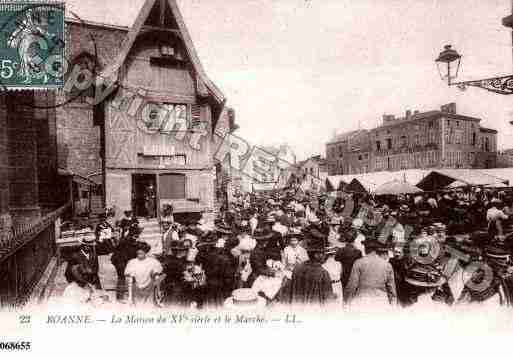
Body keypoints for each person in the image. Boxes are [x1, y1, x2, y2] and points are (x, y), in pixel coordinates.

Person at [344, 237, 397, 308]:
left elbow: (352, 285)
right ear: (376, 249)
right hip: (381, 302)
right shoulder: (387, 265)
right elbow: (391, 289)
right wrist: (393, 306)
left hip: (362, 301)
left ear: (365, 249)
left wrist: (346, 303)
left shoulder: (359, 263)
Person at [289, 230, 334, 306]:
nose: (324, 256)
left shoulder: (297, 268)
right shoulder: (323, 273)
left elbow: (292, 292)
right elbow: (328, 300)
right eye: (322, 253)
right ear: (316, 255)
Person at [125, 241, 163, 305]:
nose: (140, 254)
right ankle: (130, 298)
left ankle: (158, 296)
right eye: (138, 253)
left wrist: (154, 275)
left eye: (142, 252)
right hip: (136, 287)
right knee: (130, 278)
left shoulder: (152, 262)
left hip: (149, 287)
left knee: (156, 277)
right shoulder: (132, 262)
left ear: (146, 252)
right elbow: (129, 277)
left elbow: (157, 273)